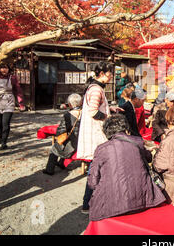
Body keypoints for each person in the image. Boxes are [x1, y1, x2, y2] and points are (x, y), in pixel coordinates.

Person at [87, 114, 166, 221]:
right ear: (126, 128)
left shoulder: (101, 149)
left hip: (112, 205)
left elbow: (92, 182)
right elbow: (148, 158)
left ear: (107, 132)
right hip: (143, 198)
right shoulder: (137, 141)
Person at [77, 61, 115, 213]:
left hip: (94, 131)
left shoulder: (95, 88)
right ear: (103, 73)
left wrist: (110, 108)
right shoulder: (96, 89)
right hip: (95, 132)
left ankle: (90, 202)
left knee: (97, 166)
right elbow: (93, 112)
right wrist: (108, 117)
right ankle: (88, 203)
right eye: (110, 72)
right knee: (96, 167)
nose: (111, 75)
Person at [43, 93, 82, 175]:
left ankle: (49, 170)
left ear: (70, 104)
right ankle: (61, 164)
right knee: (64, 144)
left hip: (73, 143)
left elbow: (61, 130)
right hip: (82, 141)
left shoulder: (68, 115)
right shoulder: (84, 113)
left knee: (56, 147)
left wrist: (58, 134)